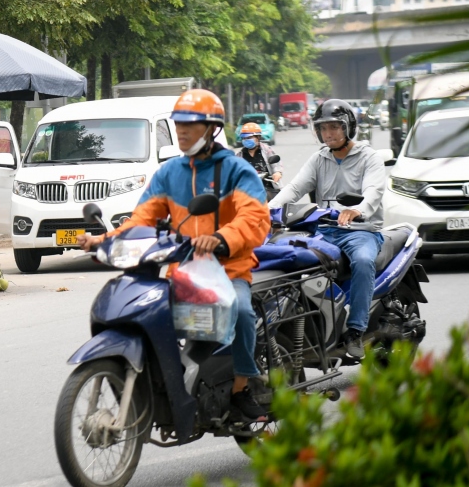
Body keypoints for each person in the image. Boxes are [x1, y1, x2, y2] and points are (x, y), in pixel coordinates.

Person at [78, 90, 271, 420]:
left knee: (240, 310)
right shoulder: (169, 173)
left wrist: (221, 237)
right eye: (178, 124)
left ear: (211, 129)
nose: (181, 131)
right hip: (184, 269)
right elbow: (142, 218)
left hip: (229, 269)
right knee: (148, 311)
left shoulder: (237, 170)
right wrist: (103, 240)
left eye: (191, 125)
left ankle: (243, 386)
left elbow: (254, 218)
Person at [268, 99, 387, 360]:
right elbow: (295, 188)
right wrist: (266, 209)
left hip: (361, 231)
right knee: (291, 256)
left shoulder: (370, 158)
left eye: (335, 127)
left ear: (348, 127)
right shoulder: (319, 158)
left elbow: (373, 192)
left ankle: (355, 330)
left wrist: (358, 210)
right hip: (324, 230)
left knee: (364, 260)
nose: (329, 133)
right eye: (323, 128)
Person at [236, 122, 283, 202]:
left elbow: (276, 164)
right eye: (244, 138)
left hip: (268, 187)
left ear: (258, 137)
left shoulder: (267, 150)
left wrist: (277, 172)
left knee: (278, 204)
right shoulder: (239, 155)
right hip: (247, 190)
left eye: (249, 137)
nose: (246, 140)